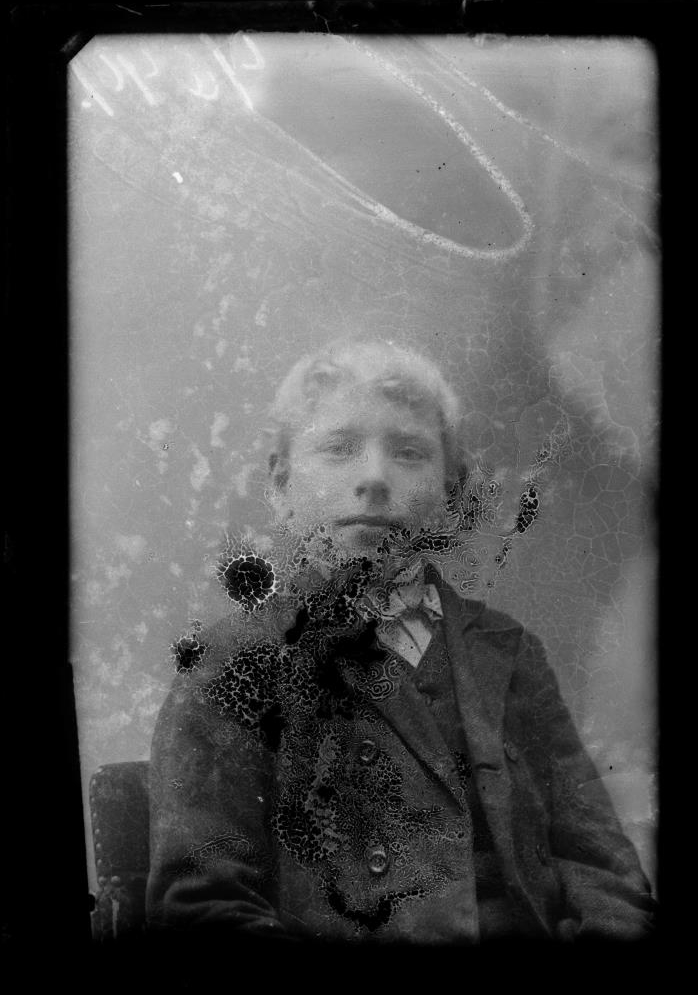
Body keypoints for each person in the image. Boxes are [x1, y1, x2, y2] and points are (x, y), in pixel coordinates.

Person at [146, 340, 655, 943]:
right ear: (280, 485)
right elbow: (204, 906)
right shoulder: (232, 667)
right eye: (339, 447)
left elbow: (602, 870)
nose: (374, 478)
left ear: (450, 492)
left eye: (409, 452)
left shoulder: (509, 651)